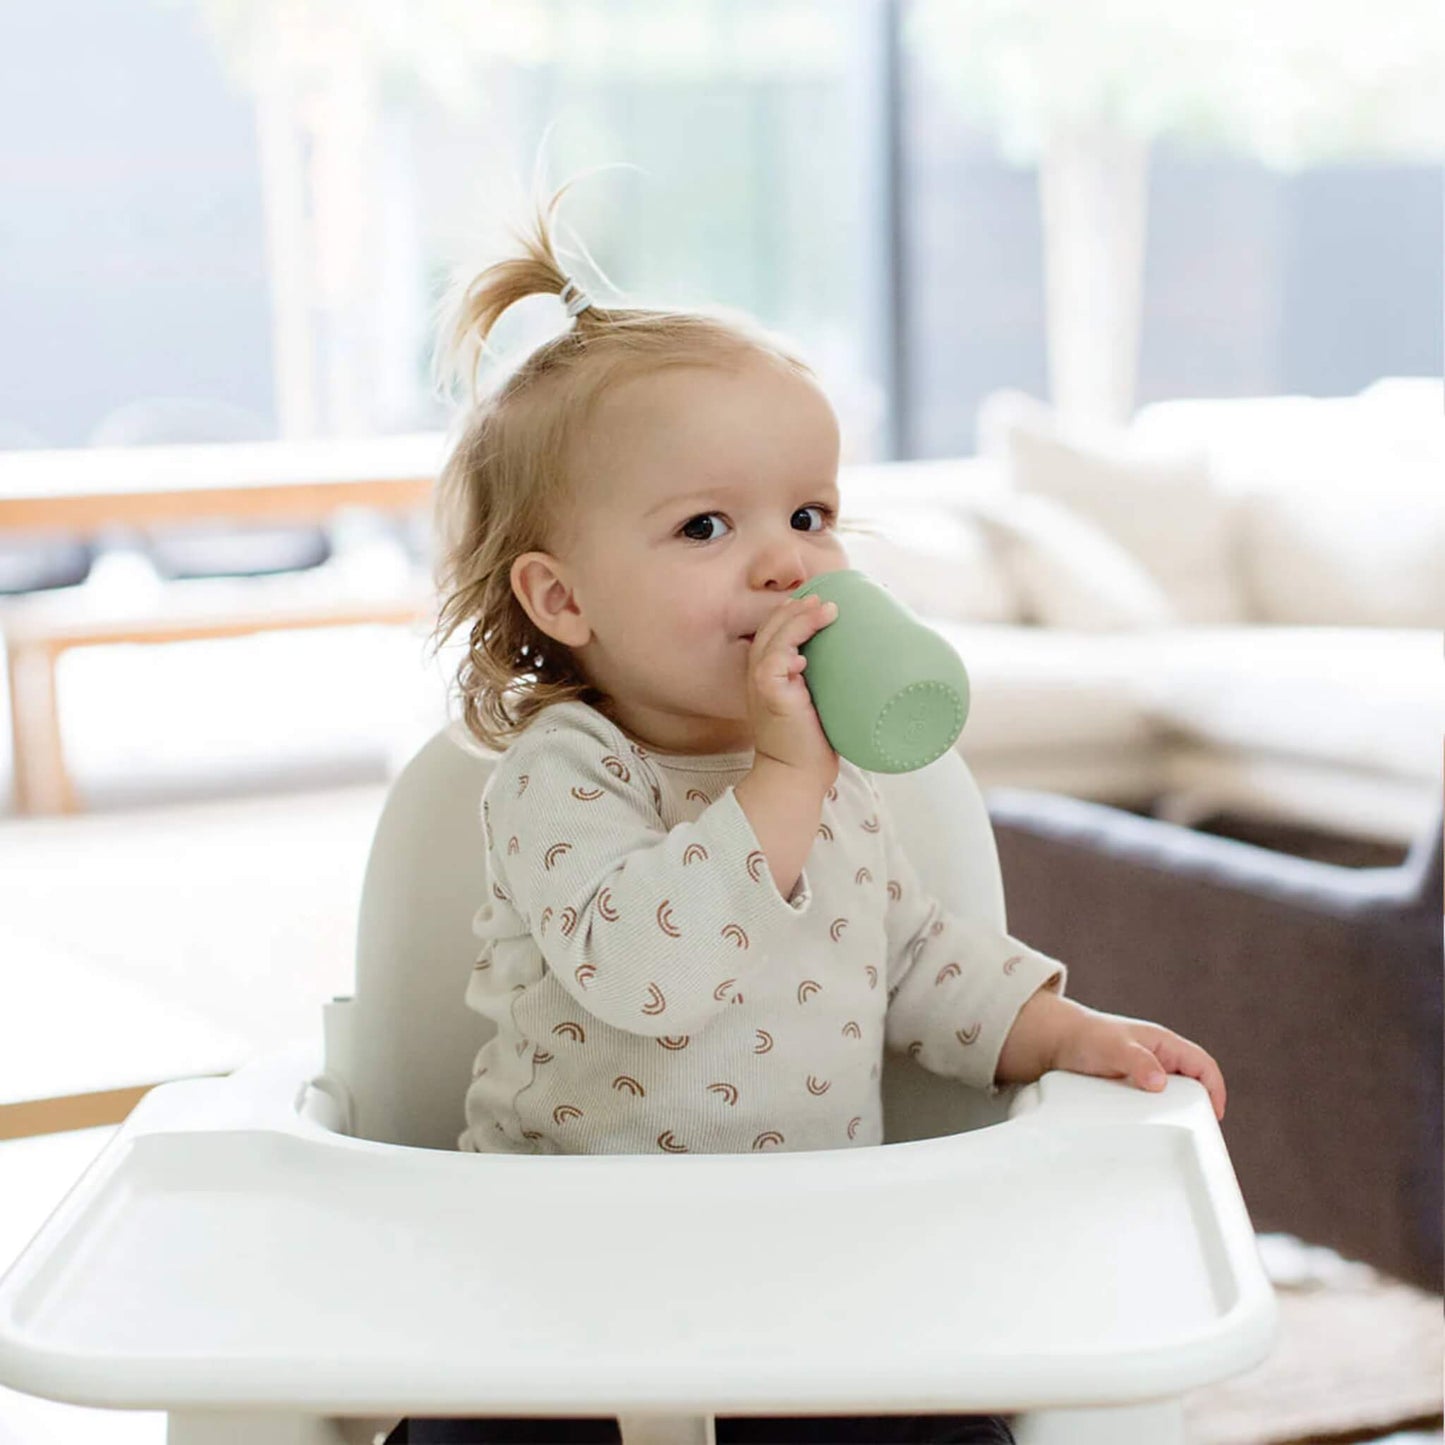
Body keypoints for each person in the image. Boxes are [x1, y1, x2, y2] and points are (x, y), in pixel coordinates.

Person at [386, 177, 1227, 1445]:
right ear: (562, 600)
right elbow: (653, 971)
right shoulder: (561, 778)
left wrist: (1062, 1028)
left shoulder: (832, 774)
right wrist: (784, 780)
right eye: (707, 524)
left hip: (821, 1279)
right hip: (566, 1291)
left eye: (809, 514)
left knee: (964, 1409)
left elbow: (906, 959)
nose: (783, 557)